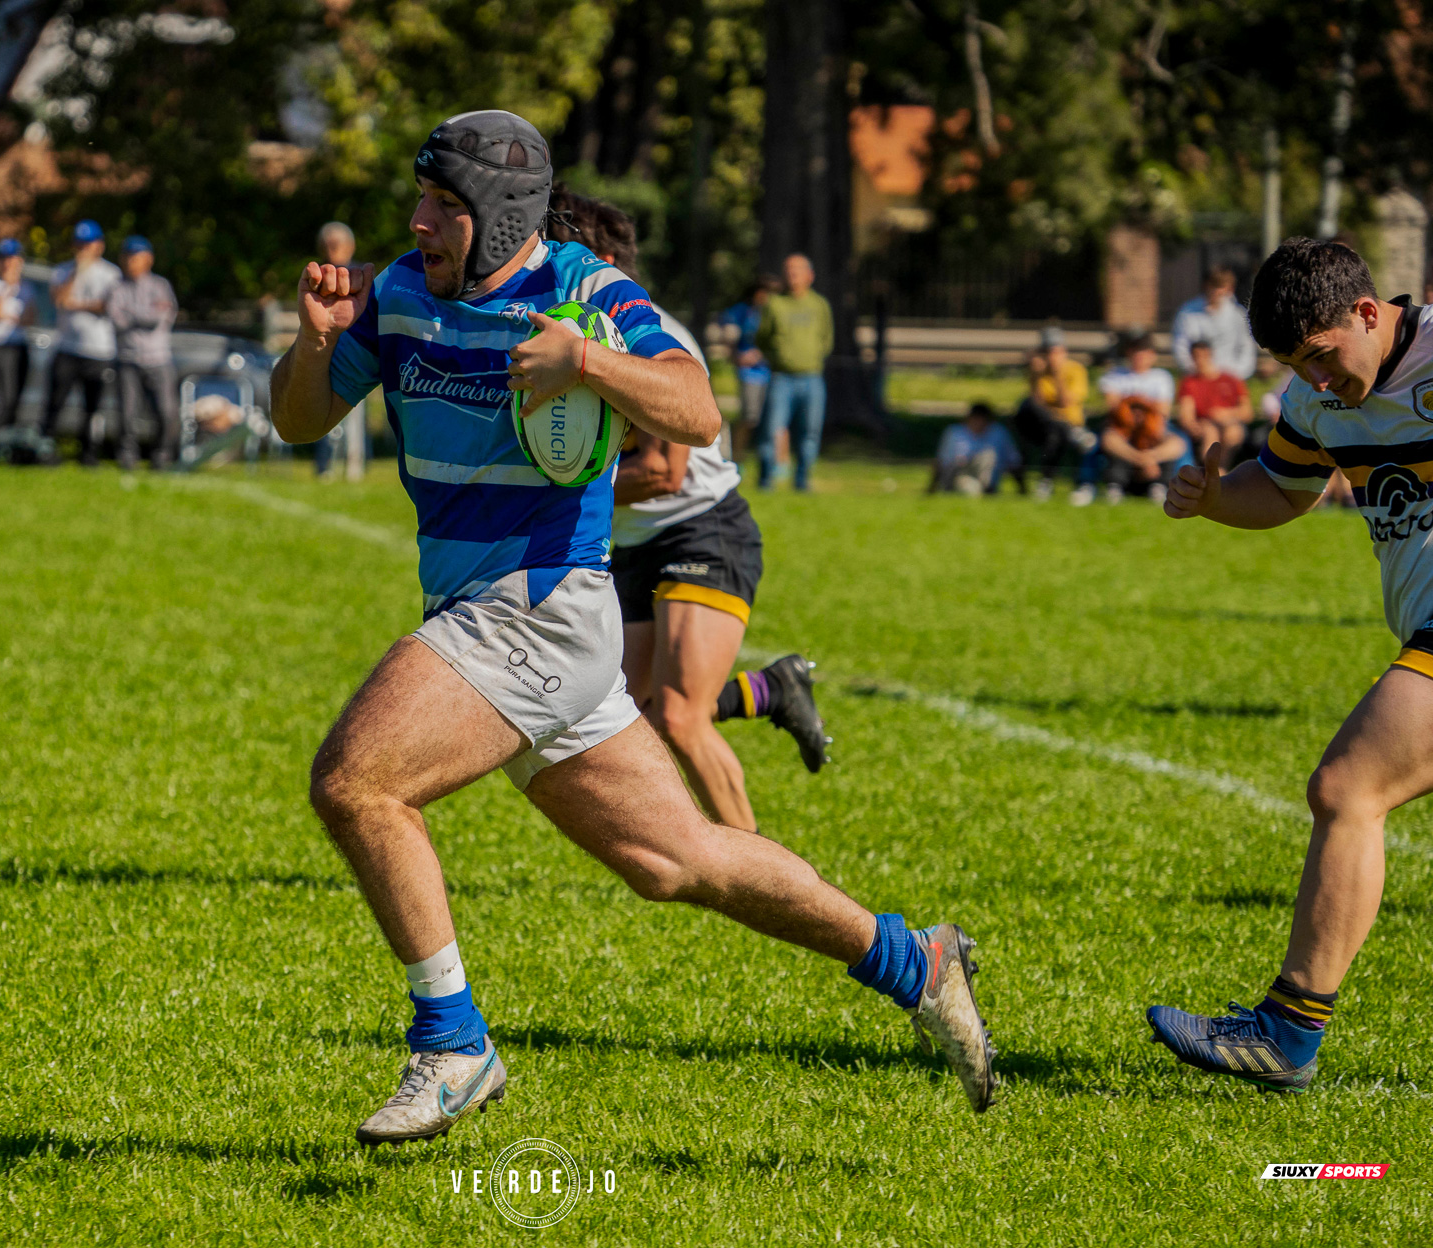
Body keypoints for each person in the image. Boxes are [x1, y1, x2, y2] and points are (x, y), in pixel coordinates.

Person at [269, 109, 998, 1146]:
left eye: (441, 204)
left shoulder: (583, 290)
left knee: (358, 782)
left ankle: (454, 1042)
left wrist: (587, 364)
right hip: (488, 615)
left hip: (538, 609)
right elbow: (298, 419)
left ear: (498, 214)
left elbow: (696, 411)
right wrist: (315, 339)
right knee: (678, 861)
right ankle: (912, 960)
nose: (418, 221)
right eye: (420, 200)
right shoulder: (397, 293)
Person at [1150, 236, 1433, 1093]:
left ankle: (1286, 1033)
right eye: (1294, 365)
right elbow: (1281, 489)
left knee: (1349, 789)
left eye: (1320, 355)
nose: (1314, 379)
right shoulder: (1316, 398)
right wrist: (1212, 498)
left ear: (1368, 313)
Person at [546, 187, 829, 834]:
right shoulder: (569, 332)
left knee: (678, 717)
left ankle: (754, 872)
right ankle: (770, 690)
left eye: (560, 250)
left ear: (603, 263)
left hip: (702, 530)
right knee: (621, 718)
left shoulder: (654, 338)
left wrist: (550, 491)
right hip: (633, 544)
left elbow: (662, 472)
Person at [42, 220, 122, 465]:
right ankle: (44, 449)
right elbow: (59, 300)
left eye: (87, 244)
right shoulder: (63, 271)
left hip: (98, 350)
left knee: (92, 406)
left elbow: (108, 306)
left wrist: (77, 305)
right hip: (67, 347)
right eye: (79, 244)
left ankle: (88, 454)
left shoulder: (111, 273)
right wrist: (77, 273)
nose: (83, 249)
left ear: (99, 245)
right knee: (54, 402)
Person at [755, 253, 833, 491]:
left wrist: (811, 356)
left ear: (810, 275)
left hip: (812, 378)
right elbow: (762, 338)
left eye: (797, 270)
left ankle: (802, 481)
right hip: (781, 377)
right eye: (788, 270)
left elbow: (826, 339)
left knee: (810, 432)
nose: (792, 275)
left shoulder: (819, 305)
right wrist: (779, 357)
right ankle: (766, 480)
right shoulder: (774, 304)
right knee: (771, 429)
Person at [107, 235, 180, 470]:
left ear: (148, 259)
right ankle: (127, 457)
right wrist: (144, 315)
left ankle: (162, 456)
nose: (131, 262)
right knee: (127, 414)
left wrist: (133, 315)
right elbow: (117, 320)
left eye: (136, 257)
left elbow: (159, 317)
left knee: (166, 411)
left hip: (158, 359)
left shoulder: (161, 286)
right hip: (127, 359)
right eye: (127, 257)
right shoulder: (116, 287)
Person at [1091, 333, 1182, 503]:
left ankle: (1158, 484)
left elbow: (1162, 412)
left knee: (1176, 443)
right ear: (1128, 352)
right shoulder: (1114, 375)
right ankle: (1117, 483)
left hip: (1153, 430)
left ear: (1152, 355)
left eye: (1144, 351)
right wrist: (1144, 406)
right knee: (1110, 439)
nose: (1139, 356)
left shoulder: (1162, 377)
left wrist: (1132, 404)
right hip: (1124, 429)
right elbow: (1114, 408)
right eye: (1136, 351)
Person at [1013, 327, 1096, 502]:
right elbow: (1038, 404)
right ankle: (1071, 434)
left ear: (1064, 351)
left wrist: (1057, 374)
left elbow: (1065, 402)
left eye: (1055, 352)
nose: (1052, 357)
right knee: (1027, 405)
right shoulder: (1039, 372)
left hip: (1070, 421)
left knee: (1054, 434)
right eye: (1047, 352)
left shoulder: (1076, 370)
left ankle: (1046, 481)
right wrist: (1036, 375)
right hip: (1051, 425)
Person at [0, 239, 36, 454]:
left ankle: (7, 445)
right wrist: (8, 288)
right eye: (3, 259)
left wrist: (9, 316)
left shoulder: (27, 287)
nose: (7, 264)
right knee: (3, 399)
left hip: (19, 345)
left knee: (16, 399)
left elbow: (29, 319)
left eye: (11, 259)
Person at [311, 222, 359, 479]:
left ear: (350, 247)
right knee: (323, 408)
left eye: (336, 245)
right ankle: (324, 467)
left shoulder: (361, 276)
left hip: (358, 354)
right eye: (327, 245)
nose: (331, 250)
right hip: (326, 354)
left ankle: (356, 466)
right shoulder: (315, 276)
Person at [719, 277, 779, 458]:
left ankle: (779, 462)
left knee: (777, 419)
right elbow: (727, 335)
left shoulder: (778, 312)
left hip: (777, 372)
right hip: (750, 374)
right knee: (749, 418)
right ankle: (738, 456)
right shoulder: (742, 312)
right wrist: (736, 356)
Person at [1171, 266, 1258, 380]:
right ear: (1206, 286)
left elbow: (1246, 348)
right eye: (1213, 286)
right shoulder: (1187, 312)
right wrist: (1195, 369)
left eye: (1221, 287)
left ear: (1230, 289)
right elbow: (1181, 345)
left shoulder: (1238, 314)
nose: (1216, 292)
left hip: (1230, 376)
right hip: (1198, 376)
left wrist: (1235, 374)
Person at [1175, 339, 1251, 462]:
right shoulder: (1189, 383)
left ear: (1210, 355)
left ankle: (1221, 466)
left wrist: (1226, 414)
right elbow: (1186, 413)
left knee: (1232, 432)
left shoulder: (1231, 380)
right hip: (1205, 423)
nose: (1200, 360)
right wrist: (1193, 426)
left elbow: (1247, 412)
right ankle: (1213, 468)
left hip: (1230, 422)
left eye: (1203, 356)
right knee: (1210, 433)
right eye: (1196, 356)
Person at [931, 403, 1023, 495]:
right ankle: (981, 490)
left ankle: (987, 487)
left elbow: (1014, 461)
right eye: (976, 419)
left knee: (989, 456)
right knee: (973, 488)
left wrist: (1022, 487)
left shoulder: (998, 432)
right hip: (960, 474)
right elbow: (942, 461)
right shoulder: (954, 432)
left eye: (982, 419)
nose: (979, 423)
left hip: (986, 474)